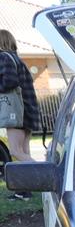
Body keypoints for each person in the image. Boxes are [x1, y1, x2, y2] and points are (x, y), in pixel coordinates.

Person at [0, 29, 41, 200]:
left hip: (16, 112)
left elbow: (9, 81)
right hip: (27, 112)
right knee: (23, 151)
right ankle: (25, 191)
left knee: (16, 151)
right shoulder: (18, 60)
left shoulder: (3, 58)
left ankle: (47, 176)